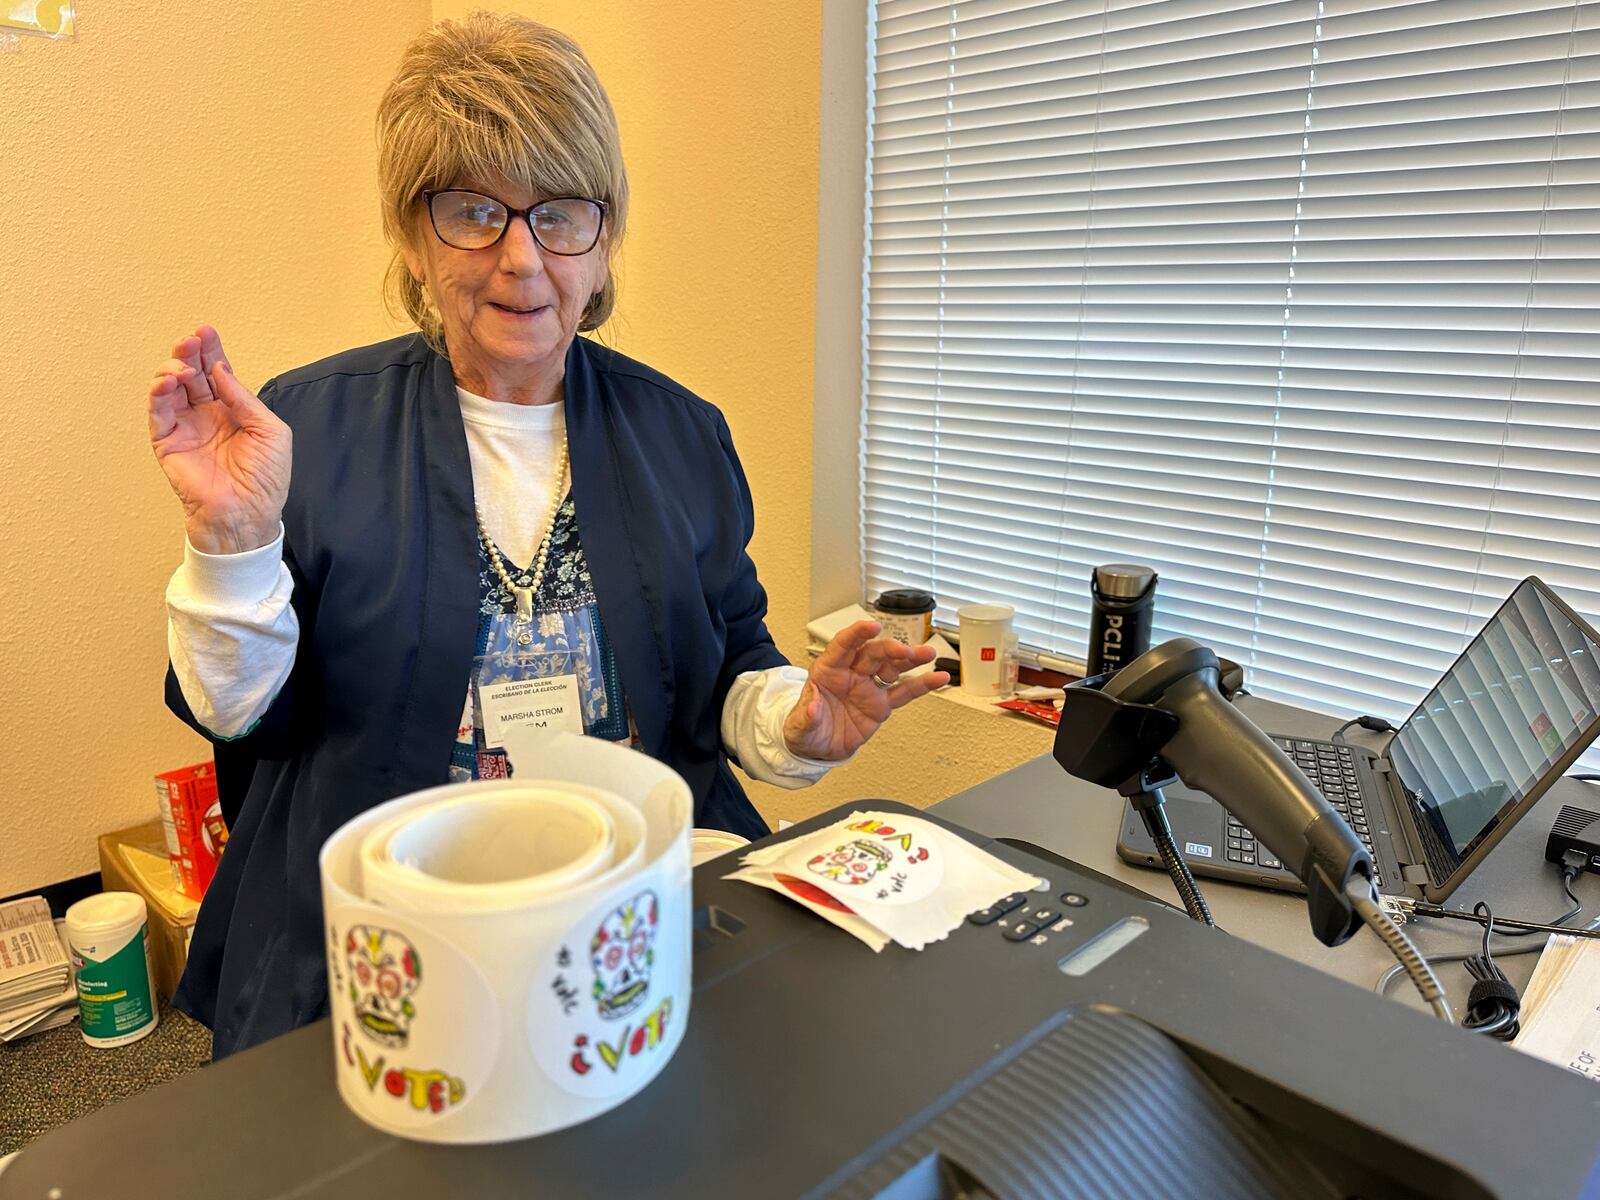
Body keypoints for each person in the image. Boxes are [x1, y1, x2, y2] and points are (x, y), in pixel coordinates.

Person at [146, 12, 947, 1059]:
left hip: (617, 924)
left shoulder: (682, 432)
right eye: (474, 210)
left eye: (560, 214)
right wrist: (233, 545)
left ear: (604, 235)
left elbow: (728, 670)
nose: (522, 258)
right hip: (390, 946)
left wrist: (798, 722)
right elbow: (238, 712)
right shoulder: (312, 424)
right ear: (410, 234)